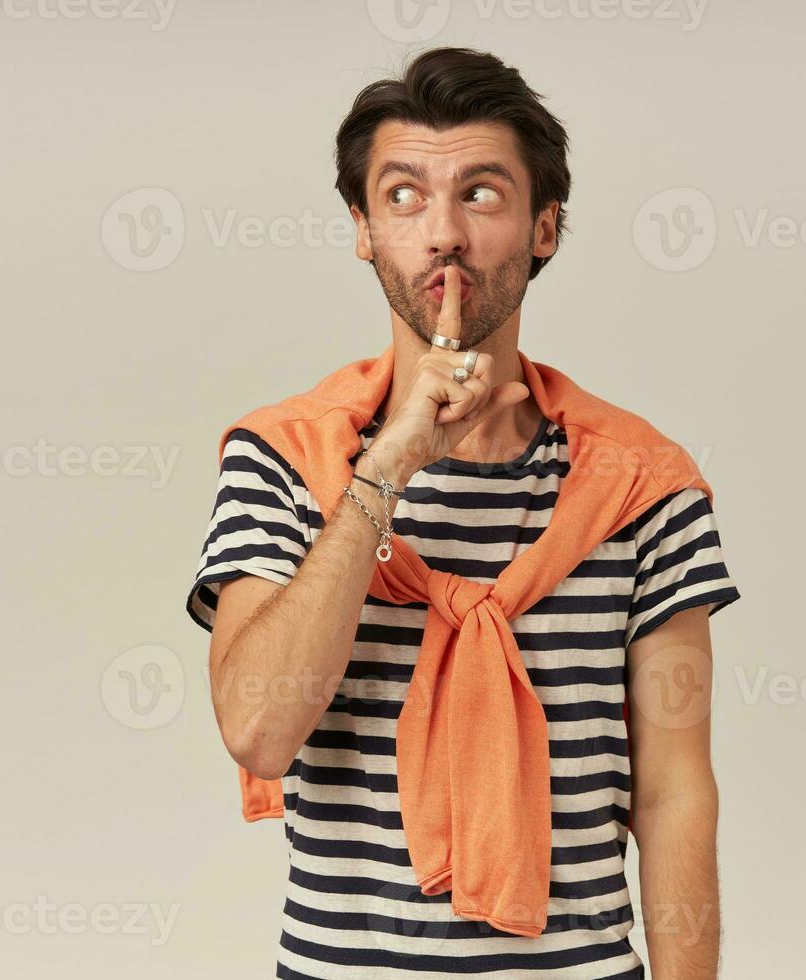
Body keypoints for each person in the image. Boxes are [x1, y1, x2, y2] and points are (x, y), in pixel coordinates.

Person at [185, 47, 741, 979]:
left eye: (481, 194)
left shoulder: (644, 486)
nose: (442, 233)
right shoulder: (283, 458)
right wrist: (391, 460)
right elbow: (258, 728)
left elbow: (675, 792)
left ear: (544, 227)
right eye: (403, 197)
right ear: (363, 229)